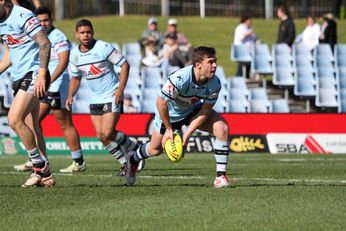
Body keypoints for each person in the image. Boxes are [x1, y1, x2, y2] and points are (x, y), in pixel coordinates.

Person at [125, 46, 231, 188]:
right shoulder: (180, 78)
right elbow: (160, 102)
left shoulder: (215, 83)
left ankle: (220, 177)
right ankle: (133, 159)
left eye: (215, 61)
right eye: (211, 62)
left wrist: (187, 133)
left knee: (222, 129)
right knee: (154, 150)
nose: (215, 65)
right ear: (198, 65)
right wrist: (169, 129)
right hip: (170, 115)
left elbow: (205, 111)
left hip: (193, 111)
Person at [13, 6, 87, 173]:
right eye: (40, 21)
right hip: (42, 83)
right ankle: (42, 159)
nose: (43, 24)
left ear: (52, 19)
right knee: (57, 122)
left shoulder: (58, 36)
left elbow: (63, 62)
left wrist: (46, 81)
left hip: (55, 84)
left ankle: (40, 160)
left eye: (46, 20)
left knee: (43, 121)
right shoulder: (35, 35)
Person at [67, 19, 142, 177]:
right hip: (95, 99)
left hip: (111, 94)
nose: (85, 35)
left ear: (92, 32)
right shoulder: (74, 55)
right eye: (82, 33)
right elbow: (75, 78)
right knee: (101, 135)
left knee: (107, 132)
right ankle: (125, 162)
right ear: (76, 34)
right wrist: (70, 95)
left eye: (88, 32)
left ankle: (135, 150)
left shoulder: (104, 47)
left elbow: (125, 65)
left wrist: (120, 89)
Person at [0, 0, 54, 187]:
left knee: (14, 119)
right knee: (32, 126)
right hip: (19, 76)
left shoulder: (22, 15)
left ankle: (40, 167)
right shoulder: (1, 21)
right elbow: (10, 49)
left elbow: (45, 43)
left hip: (34, 74)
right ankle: (46, 178)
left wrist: (41, 75)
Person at [233, 13, 256, 78]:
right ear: (246, 20)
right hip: (241, 52)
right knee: (242, 67)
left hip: (249, 52)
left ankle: (246, 79)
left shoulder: (249, 28)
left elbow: (254, 38)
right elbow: (240, 37)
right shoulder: (240, 27)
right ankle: (239, 79)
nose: (251, 22)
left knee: (248, 67)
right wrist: (248, 34)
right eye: (250, 20)